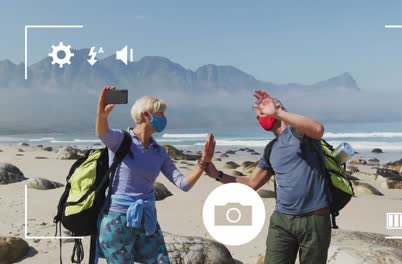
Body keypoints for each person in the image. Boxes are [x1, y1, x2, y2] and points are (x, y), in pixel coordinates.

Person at [204, 89, 331, 264]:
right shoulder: (271, 149)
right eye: (258, 117)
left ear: (277, 107)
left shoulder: (299, 134)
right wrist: (217, 174)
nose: (260, 119)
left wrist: (279, 112)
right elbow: (251, 184)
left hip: (314, 219)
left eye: (262, 112)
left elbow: (318, 129)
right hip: (282, 220)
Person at [95, 86, 215, 264]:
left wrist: (204, 162)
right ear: (146, 115)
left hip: (147, 219)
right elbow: (102, 132)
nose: (164, 118)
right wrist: (102, 114)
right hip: (117, 220)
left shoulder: (159, 152)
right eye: (160, 114)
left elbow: (183, 184)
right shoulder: (121, 139)